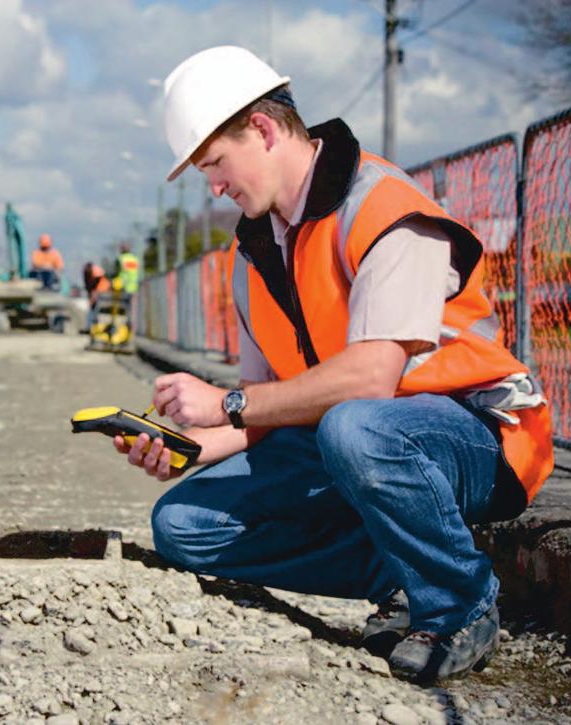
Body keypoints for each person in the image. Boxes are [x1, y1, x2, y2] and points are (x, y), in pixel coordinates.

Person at [114, 45, 554, 683]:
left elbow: (371, 379)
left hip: (480, 437)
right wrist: (191, 444)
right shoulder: (254, 254)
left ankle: (458, 599)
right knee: (182, 524)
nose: (214, 186)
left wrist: (228, 403)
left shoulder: (385, 209)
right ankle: (400, 570)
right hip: (355, 440)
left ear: (262, 130)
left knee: (355, 426)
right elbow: (270, 406)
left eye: (215, 163)